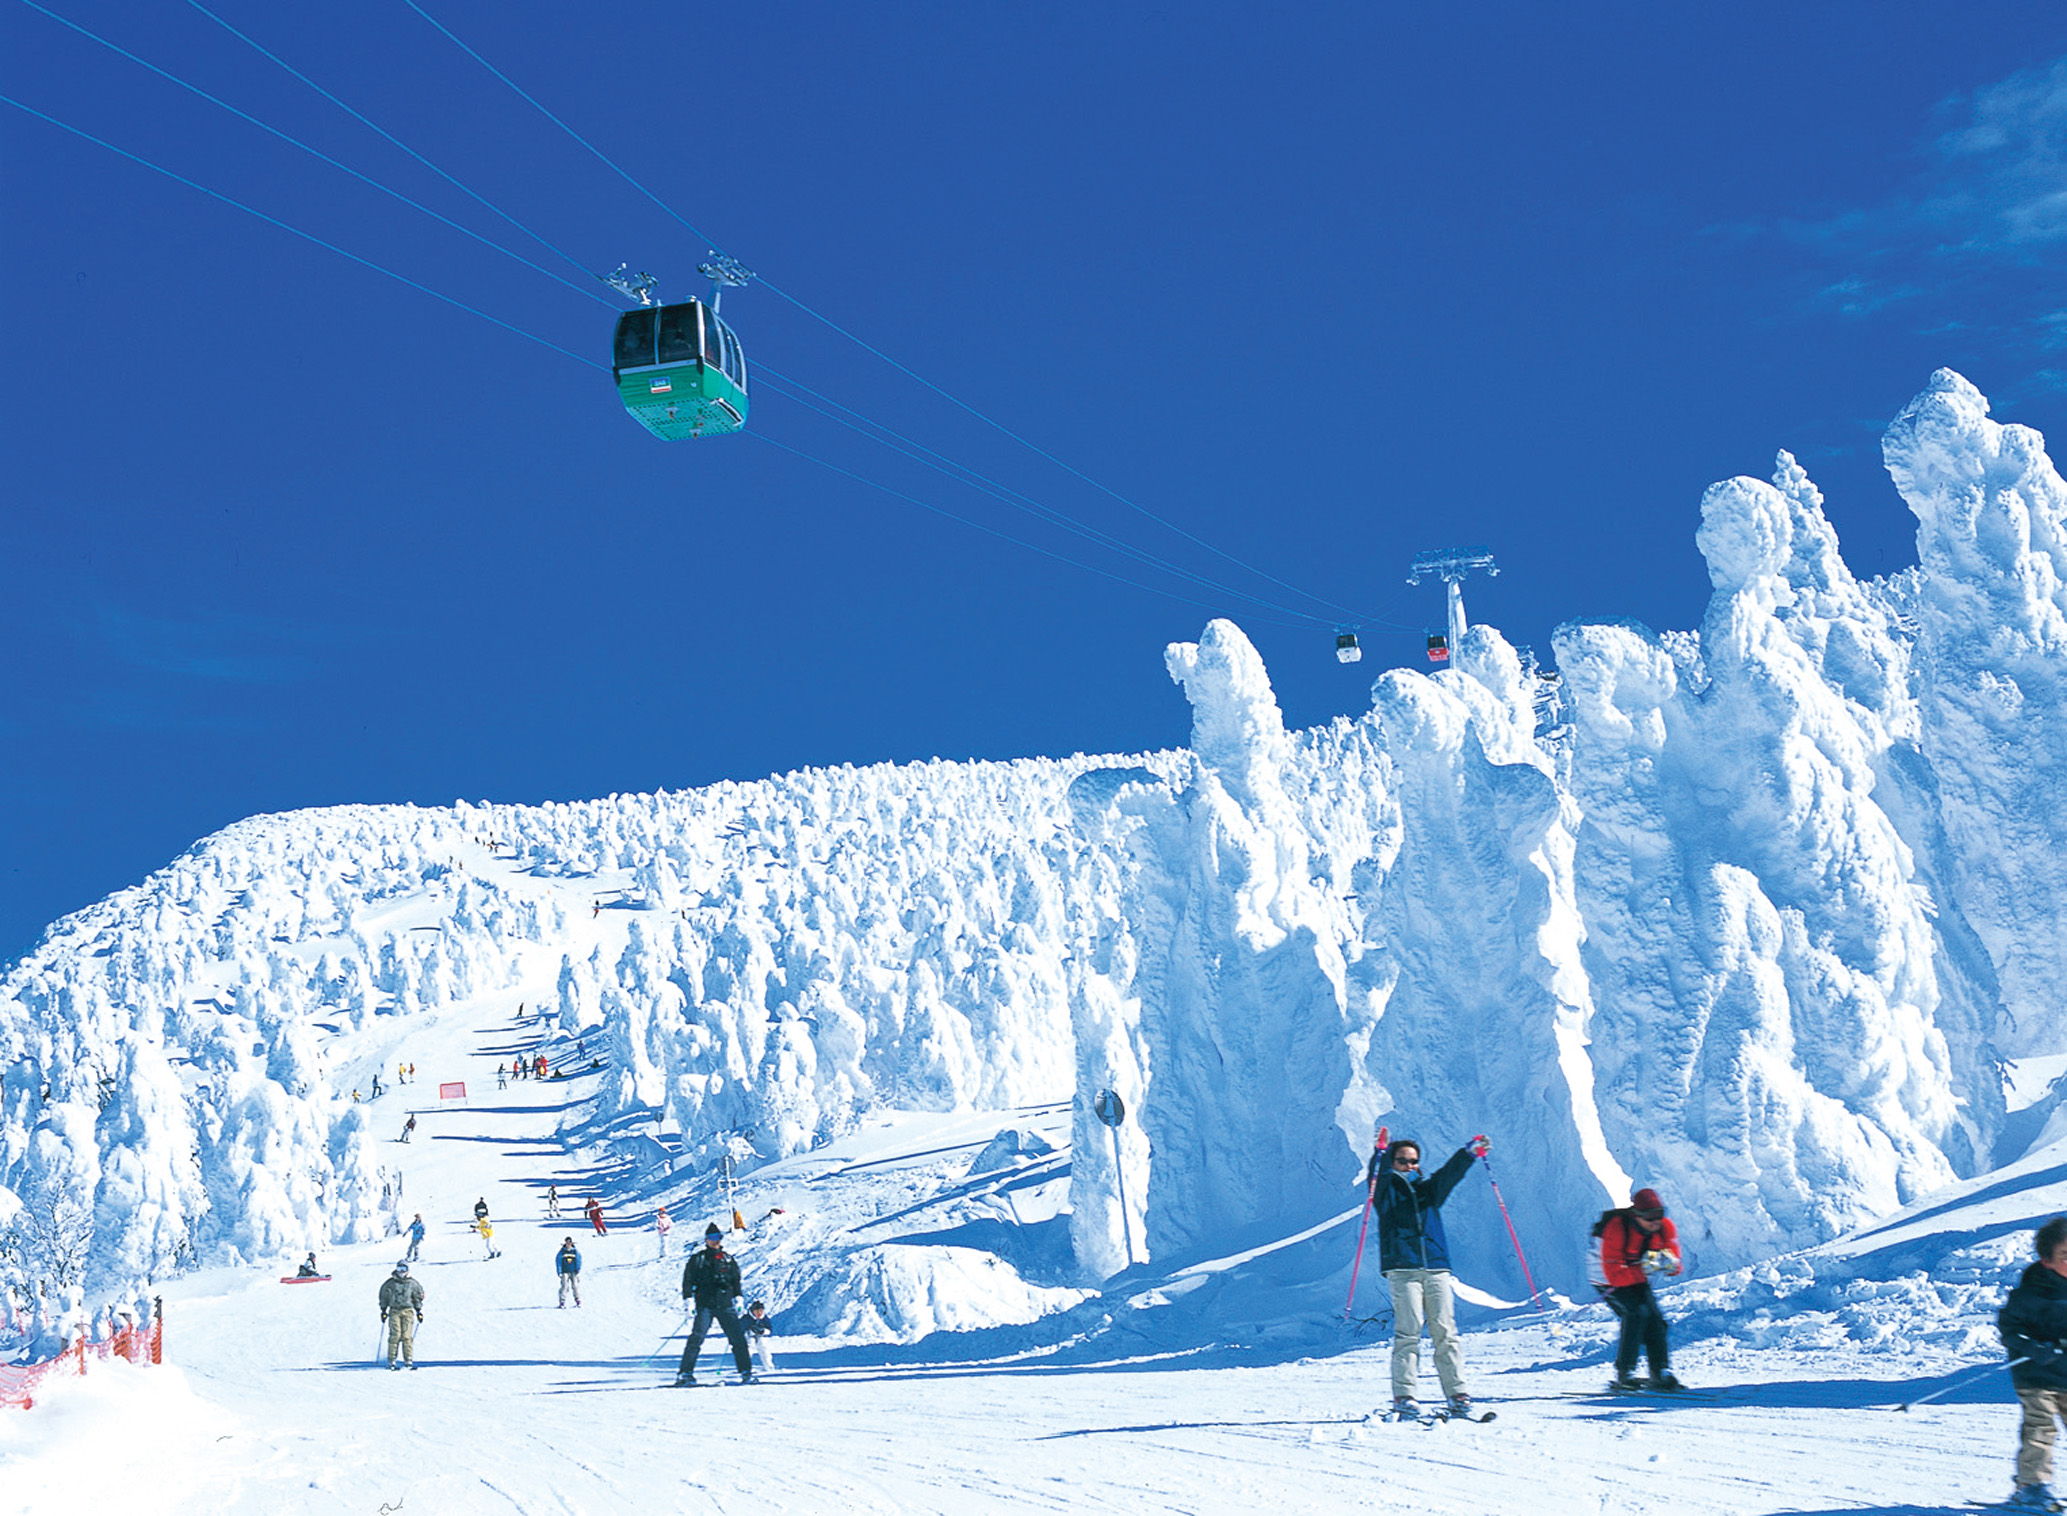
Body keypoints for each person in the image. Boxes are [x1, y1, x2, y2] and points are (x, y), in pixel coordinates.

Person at [1370, 1134, 1485, 1417]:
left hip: (1435, 1268)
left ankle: (1457, 1394)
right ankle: (1405, 1396)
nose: (1409, 1166)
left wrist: (1468, 1153)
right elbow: (1377, 1175)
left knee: (1446, 1332)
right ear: (1393, 1163)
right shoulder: (1385, 1192)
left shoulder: (1428, 1191)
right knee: (1408, 1332)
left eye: (1413, 1161)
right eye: (1402, 1161)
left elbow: (1449, 1175)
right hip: (1403, 1269)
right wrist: (1380, 1153)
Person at [1999, 1215, 2067, 1509]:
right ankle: (2033, 1486)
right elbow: (2010, 1329)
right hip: (2035, 1374)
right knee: (2040, 1428)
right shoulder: (2030, 1293)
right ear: (2046, 1260)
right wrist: (2035, 1347)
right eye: (2065, 1256)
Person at [1597, 1187, 1684, 1392]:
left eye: (1659, 1215)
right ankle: (1625, 1373)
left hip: (1635, 1277)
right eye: (1648, 1217)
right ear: (1636, 1215)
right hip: (1605, 1279)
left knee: (1656, 1322)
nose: (1655, 1221)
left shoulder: (1664, 1227)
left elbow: (1675, 1262)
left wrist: (1670, 1264)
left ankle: (1660, 1372)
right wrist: (1643, 1267)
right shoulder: (1617, 1227)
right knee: (1636, 1314)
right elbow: (1613, 1274)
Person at [676, 1224, 754, 1386]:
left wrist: (738, 1297)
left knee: (738, 1339)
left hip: (725, 1304)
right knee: (696, 1338)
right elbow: (688, 1281)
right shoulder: (698, 1259)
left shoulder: (728, 1259)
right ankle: (685, 1372)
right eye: (712, 1238)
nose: (715, 1242)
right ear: (706, 1240)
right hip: (705, 1305)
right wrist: (688, 1300)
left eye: (718, 1238)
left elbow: (735, 1280)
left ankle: (746, 1371)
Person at [378, 1261, 424, 1370]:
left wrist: (418, 1311)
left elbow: (417, 1297)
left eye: (404, 1268)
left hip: (408, 1311)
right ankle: (391, 1360)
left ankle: (408, 1360)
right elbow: (383, 1296)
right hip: (394, 1310)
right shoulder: (390, 1283)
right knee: (395, 1335)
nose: (401, 1272)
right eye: (399, 1269)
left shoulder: (412, 1283)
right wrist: (383, 1310)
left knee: (407, 1336)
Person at [744, 1300, 776, 1374]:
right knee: (749, 1348)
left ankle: (769, 1366)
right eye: (757, 1311)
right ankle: (745, 1367)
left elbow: (770, 1329)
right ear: (752, 1311)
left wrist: (763, 1331)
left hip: (761, 1336)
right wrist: (749, 1331)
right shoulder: (747, 1318)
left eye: (761, 1311)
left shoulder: (764, 1318)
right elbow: (740, 1328)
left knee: (763, 1347)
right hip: (749, 1336)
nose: (759, 1313)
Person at [556, 1237, 583, 1307]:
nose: (568, 1244)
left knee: (575, 1286)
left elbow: (579, 1260)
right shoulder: (562, 1252)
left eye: (570, 1242)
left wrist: (578, 1269)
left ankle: (578, 1300)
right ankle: (562, 1301)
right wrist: (559, 1271)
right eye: (567, 1243)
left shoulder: (575, 1251)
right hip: (565, 1271)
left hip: (573, 1271)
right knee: (564, 1286)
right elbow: (558, 1261)